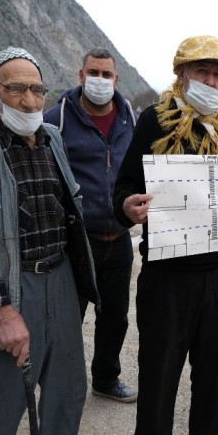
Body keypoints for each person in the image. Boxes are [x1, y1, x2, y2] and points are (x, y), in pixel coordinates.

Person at [0, 46, 99, 435]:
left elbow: (70, 212)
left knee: (67, 395)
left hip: (60, 280)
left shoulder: (52, 138)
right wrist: (2, 313)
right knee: (0, 406)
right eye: (15, 89)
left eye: (37, 89)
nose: (29, 100)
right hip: (8, 290)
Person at [112, 35, 218, 435]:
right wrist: (128, 207)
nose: (211, 81)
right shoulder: (154, 119)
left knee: (214, 378)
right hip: (168, 275)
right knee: (159, 376)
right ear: (181, 74)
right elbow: (125, 187)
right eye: (202, 71)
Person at [44, 47, 137, 403]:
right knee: (69, 318)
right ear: (81, 76)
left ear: (117, 79)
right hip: (77, 241)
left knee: (115, 317)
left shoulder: (130, 118)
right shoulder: (57, 119)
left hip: (120, 239)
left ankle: (106, 379)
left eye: (107, 74)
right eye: (93, 73)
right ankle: (63, 385)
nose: (100, 80)